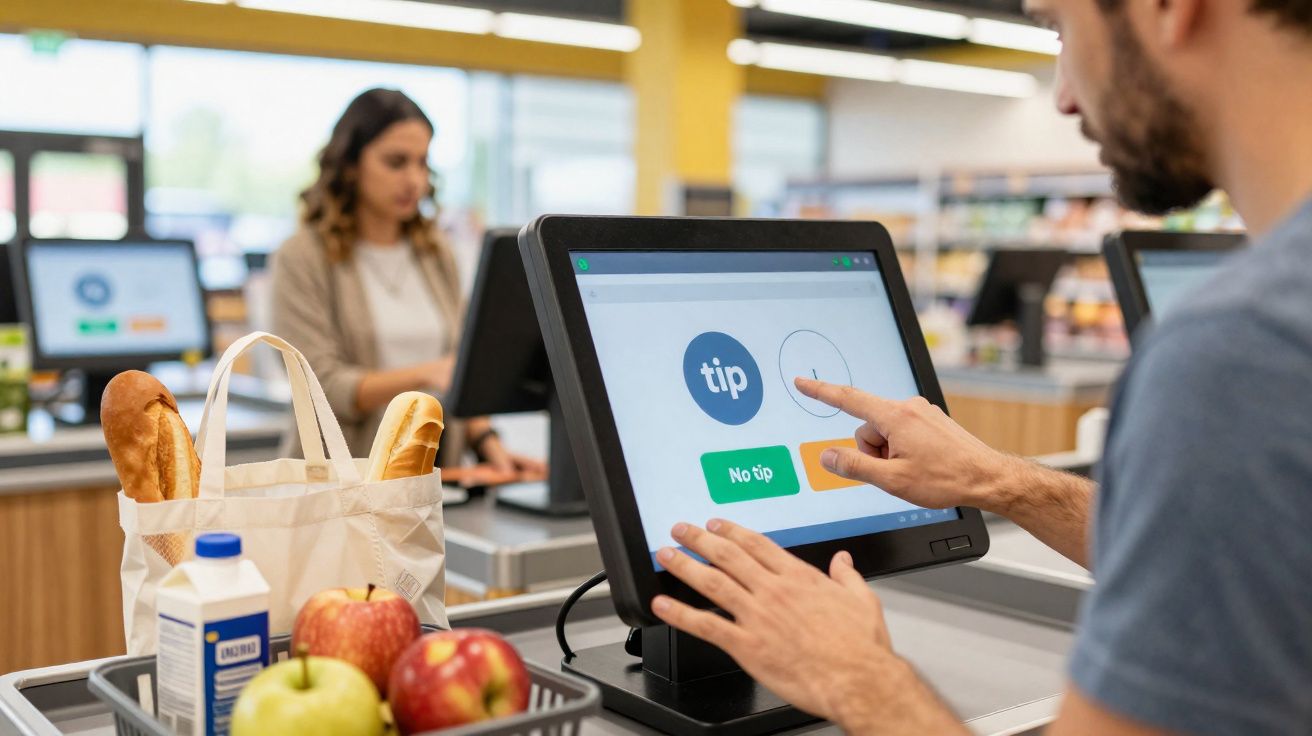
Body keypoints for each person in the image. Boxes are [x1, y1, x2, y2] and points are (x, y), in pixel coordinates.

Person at [649, 1, 1312, 734]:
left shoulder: (1243, 353)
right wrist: (1003, 482)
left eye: (1061, 27)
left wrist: (861, 682)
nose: (1062, 95)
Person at [272, 88, 545, 477]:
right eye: (396, 162)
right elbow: (322, 388)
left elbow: (458, 372)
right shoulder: (302, 257)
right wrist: (427, 373)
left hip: (432, 484)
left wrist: (489, 445)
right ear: (350, 165)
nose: (414, 180)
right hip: (340, 488)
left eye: (422, 163)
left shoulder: (436, 255)